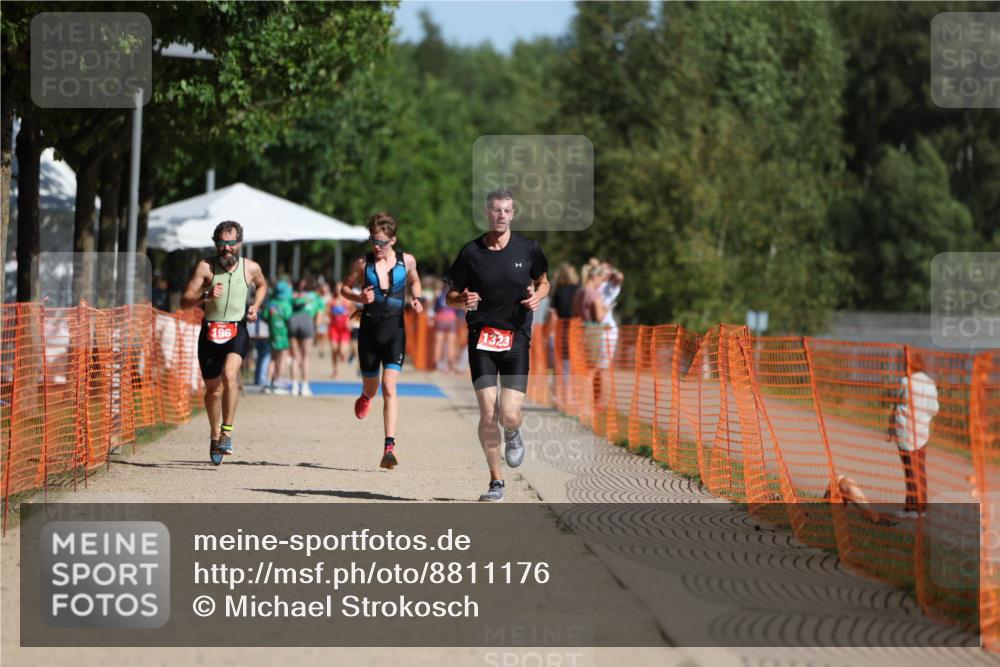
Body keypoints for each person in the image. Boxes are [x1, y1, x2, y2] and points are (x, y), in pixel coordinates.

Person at [444, 189, 549, 502]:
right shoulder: (471, 253)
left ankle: (514, 432)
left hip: (516, 337)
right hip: (482, 339)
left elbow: (544, 280)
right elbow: (448, 295)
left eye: (506, 211)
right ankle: (496, 482)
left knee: (509, 414)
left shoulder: (529, 248)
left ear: (513, 214)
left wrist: (539, 296)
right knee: (488, 413)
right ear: (486, 213)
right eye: (496, 210)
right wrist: (461, 299)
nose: (501, 216)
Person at [180, 220, 267, 465]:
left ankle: (227, 432)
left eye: (230, 243)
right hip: (210, 332)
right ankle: (214, 433)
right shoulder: (205, 268)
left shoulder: (250, 268)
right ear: (215, 243)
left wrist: (256, 306)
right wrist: (205, 295)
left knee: (230, 375)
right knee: (212, 390)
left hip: (237, 329)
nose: (226, 248)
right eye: (221, 243)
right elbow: (184, 301)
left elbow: (262, 285)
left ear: (239, 243)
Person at [341, 213, 423, 469]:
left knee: (390, 387)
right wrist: (359, 299)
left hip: (395, 331)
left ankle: (389, 446)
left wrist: (417, 298)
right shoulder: (361, 263)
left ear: (393, 240)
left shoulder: (406, 261)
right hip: (368, 332)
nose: (376, 247)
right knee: (373, 388)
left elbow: (415, 280)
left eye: (381, 242)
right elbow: (344, 288)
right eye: (372, 241)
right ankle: (365, 396)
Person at [888, 352, 939, 518]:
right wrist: (923, 418)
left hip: (905, 430)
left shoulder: (905, 381)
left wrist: (891, 428)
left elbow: (896, 402)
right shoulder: (930, 383)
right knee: (920, 469)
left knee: (909, 469)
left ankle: (912, 508)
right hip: (922, 430)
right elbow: (934, 409)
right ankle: (918, 507)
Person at [288, 278, 321, 396]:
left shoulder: (296, 295)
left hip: (293, 320)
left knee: (295, 357)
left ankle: (294, 386)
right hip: (307, 321)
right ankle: (305, 386)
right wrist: (316, 332)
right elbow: (319, 317)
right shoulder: (317, 298)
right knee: (306, 357)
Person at [260, 280, 293, 393]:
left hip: (272, 333)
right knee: (282, 357)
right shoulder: (286, 305)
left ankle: (268, 382)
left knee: (273, 358)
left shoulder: (271, 303)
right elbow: (289, 319)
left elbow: (264, 316)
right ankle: (278, 381)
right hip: (283, 333)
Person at [432, 279, 459, 373]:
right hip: (451, 318)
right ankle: (450, 366)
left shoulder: (440, 295)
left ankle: (437, 366)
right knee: (451, 343)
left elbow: (435, 308)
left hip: (441, 318)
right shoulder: (454, 295)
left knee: (438, 343)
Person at [327, 280, 352, 378]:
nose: (338, 289)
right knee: (334, 350)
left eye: (340, 287)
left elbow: (353, 313)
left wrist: (349, 321)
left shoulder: (348, 302)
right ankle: (335, 370)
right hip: (334, 328)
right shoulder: (331, 301)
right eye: (336, 288)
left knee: (341, 351)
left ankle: (343, 355)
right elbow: (327, 313)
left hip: (344, 329)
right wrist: (327, 318)